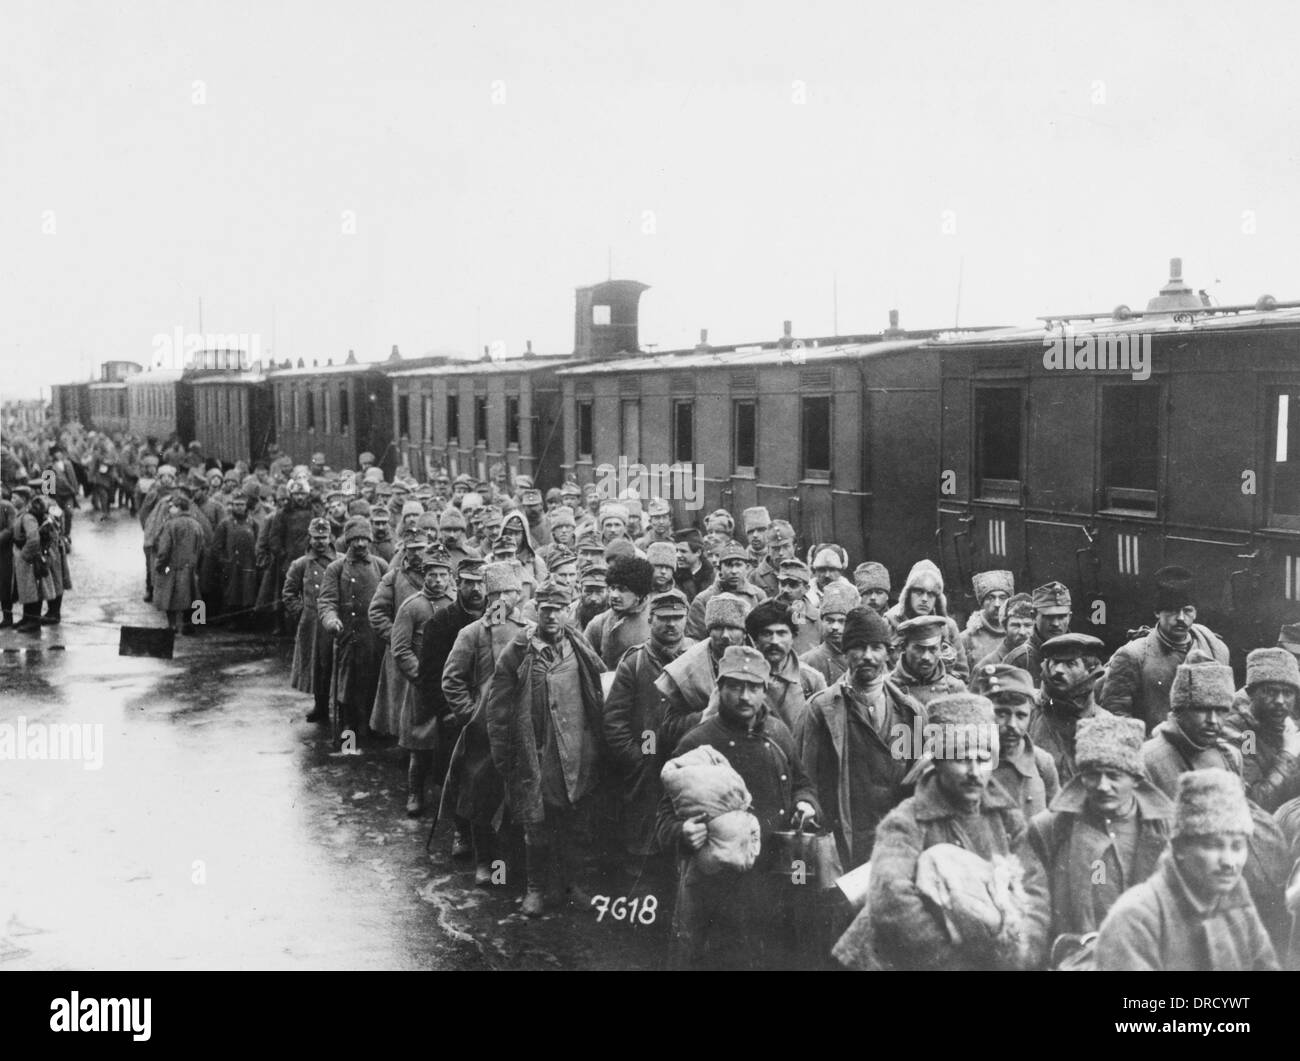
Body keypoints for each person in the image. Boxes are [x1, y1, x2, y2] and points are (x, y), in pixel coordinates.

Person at [852, 692, 1050, 971]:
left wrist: (1020, 952)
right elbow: (891, 900)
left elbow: (1034, 890)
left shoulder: (1007, 816)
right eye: (960, 758)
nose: (974, 771)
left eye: (982, 759)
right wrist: (955, 963)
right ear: (939, 762)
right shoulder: (908, 821)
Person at [655, 645, 820, 970]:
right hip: (717, 886)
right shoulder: (698, 742)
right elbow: (663, 818)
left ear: (765, 690)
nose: (745, 697)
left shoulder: (777, 732)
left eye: (754, 687)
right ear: (720, 687)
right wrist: (681, 833)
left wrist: (806, 803)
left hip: (775, 874)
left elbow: (803, 782)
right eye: (735, 686)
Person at [486, 581, 607, 918]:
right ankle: (536, 888)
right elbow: (498, 711)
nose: (552, 615)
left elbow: (596, 696)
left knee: (576, 820)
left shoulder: (579, 647)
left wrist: (596, 746)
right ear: (536, 611)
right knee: (536, 824)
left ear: (569, 611)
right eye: (546, 609)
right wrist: (504, 759)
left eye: (559, 609)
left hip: (577, 752)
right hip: (537, 752)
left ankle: (574, 884)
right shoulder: (517, 652)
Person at [1096, 768, 1279, 970]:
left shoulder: (1238, 906)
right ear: (1180, 847)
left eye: (1237, 846)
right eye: (1212, 845)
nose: (1229, 861)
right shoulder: (1135, 918)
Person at [1029, 714, 1172, 953]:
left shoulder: (1167, 828)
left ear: (1136, 779)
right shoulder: (1049, 829)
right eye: (1092, 775)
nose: (1103, 786)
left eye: (1114, 776)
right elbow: (1035, 909)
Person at [797, 607, 925, 869]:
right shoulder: (821, 710)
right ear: (845, 652)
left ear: (888, 653)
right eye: (858, 647)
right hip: (842, 842)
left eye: (876, 647)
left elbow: (918, 782)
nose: (867, 656)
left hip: (894, 842)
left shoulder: (910, 711)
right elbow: (805, 778)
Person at [439, 562, 530, 870]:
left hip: (519, 726)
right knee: (480, 792)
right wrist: (470, 715)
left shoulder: (529, 630)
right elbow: (452, 679)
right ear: (490, 597)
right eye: (499, 593)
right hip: (483, 728)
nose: (505, 599)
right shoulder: (473, 633)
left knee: (514, 795)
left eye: (511, 592)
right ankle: (484, 862)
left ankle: (510, 862)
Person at [602, 588, 693, 881]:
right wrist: (635, 758)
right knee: (643, 841)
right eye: (663, 618)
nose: (671, 625)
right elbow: (614, 720)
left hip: (687, 762)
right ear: (650, 620)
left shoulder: (697, 657)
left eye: (678, 618)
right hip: (647, 761)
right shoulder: (635, 662)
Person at [1099, 566, 1231, 732]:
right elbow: (1115, 714)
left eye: (1187, 610)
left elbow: (1223, 707)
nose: (1181, 618)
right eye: (1172, 611)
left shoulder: (1215, 649)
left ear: (1195, 612)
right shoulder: (1133, 655)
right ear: (1157, 612)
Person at [391, 545, 455, 816]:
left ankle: (445, 796)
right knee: (419, 745)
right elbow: (401, 649)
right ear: (424, 575)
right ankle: (415, 792)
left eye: (443, 575)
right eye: (432, 575)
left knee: (448, 744)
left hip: (449, 687)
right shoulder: (412, 606)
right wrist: (423, 678)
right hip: (421, 688)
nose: (438, 581)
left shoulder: (454, 605)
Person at [318, 518, 390, 747]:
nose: (360, 544)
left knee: (374, 682)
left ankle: (373, 726)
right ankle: (349, 730)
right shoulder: (336, 568)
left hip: (375, 637)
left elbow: (392, 599)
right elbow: (327, 600)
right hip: (348, 636)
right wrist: (331, 621)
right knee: (347, 686)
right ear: (348, 541)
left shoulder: (380, 565)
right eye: (355, 539)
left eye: (364, 539)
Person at [657, 592, 750, 756]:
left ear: (744, 632)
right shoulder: (686, 667)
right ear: (708, 630)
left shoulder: (758, 659)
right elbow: (668, 728)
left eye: (733, 628)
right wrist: (707, 714)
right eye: (718, 628)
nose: (725, 635)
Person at [1141, 651, 1243, 799]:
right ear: (1180, 710)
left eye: (1221, 710)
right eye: (1202, 709)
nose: (1213, 720)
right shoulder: (1146, 760)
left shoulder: (1231, 756)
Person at [971, 663, 1059, 820]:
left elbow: (1058, 822)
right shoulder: (965, 762)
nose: (1012, 725)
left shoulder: (1041, 763)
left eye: (1021, 715)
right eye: (1002, 713)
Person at [1029, 632, 1110, 784]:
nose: (1058, 670)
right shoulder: (1028, 713)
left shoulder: (1105, 723)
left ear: (1090, 670)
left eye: (1070, 663)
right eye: (1054, 662)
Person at [368, 536, 428, 738]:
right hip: (400, 651)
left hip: (430, 649)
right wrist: (396, 636)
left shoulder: (439, 576)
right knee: (399, 704)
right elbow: (376, 612)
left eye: (422, 548)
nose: (417, 554)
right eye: (412, 549)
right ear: (404, 551)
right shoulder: (393, 578)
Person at [1226, 647, 1300, 812]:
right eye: (1270, 692)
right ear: (1251, 693)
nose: (1280, 701)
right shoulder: (1245, 733)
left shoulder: (1292, 729)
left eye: (1288, 693)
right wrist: (1288, 754)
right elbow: (1255, 802)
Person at [736, 598, 826, 735]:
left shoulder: (811, 679)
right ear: (755, 639)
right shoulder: (739, 676)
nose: (774, 641)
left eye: (781, 633)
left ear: (793, 637)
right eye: (766, 633)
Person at [282, 517, 336, 724]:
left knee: (334, 663)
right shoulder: (301, 564)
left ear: (330, 537)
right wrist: (302, 612)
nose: (320, 542)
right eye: (316, 538)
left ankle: (336, 706)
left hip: (333, 620)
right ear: (310, 538)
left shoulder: (339, 561)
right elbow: (289, 593)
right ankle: (320, 706)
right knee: (316, 665)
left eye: (323, 538)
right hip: (312, 623)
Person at [884, 558, 967, 680]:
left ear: (938, 599)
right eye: (919, 592)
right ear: (908, 594)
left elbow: (962, 675)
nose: (924, 599)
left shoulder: (948, 626)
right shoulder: (889, 623)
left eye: (931, 594)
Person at [684, 541, 765, 641]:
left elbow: (763, 633)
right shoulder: (704, 599)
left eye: (738, 565)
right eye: (728, 565)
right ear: (719, 569)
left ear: (747, 568)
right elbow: (695, 639)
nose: (734, 571)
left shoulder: (758, 596)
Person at [583, 555, 653, 670]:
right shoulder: (599, 623)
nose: (614, 595)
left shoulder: (655, 621)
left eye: (622, 590)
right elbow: (584, 659)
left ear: (639, 594)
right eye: (612, 588)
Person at [153, 495, 206, 634]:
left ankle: (172, 626)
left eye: (172, 507)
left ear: (179, 508)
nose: (170, 509)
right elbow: (202, 547)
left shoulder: (171, 525)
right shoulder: (196, 524)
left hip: (172, 567)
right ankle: (189, 625)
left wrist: (159, 565)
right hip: (191, 568)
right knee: (191, 597)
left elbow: (164, 549)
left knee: (169, 598)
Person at [1004, 582, 1073, 686]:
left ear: (1070, 617)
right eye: (1049, 617)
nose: (1056, 623)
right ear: (1033, 616)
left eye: (1061, 616)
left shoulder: (1081, 656)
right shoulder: (1019, 660)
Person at [890, 615, 967, 708]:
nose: (926, 657)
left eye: (933, 649)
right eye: (919, 649)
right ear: (903, 647)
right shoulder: (887, 686)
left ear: (941, 649)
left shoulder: (954, 688)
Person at [799, 581, 860, 685]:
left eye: (842, 621)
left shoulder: (861, 658)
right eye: (830, 620)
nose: (835, 627)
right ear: (821, 621)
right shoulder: (806, 661)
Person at [212, 493, 260, 625]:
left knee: (248, 593)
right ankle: (231, 621)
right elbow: (216, 547)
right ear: (232, 506)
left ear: (246, 506)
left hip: (248, 565)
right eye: (236, 505)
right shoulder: (225, 524)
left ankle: (245, 621)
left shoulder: (253, 523)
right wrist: (224, 561)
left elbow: (259, 543)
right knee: (231, 593)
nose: (239, 508)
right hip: (231, 566)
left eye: (242, 505)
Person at [959, 569, 1014, 676]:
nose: (997, 604)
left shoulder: (1017, 633)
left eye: (1002, 597)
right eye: (990, 597)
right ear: (982, 602)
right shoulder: (967, 638)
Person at [972, 593, 1034, 672]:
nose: (1022, 632)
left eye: (1028, 625)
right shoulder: (985, 667)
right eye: (1015, 625)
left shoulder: (1044, 661)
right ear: (1005, 627)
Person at [672, 528, 713, 603]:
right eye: (676, 551)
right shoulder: (674, 578)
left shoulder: (712, 576)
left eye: (683, 551)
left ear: (698, 552)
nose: (677, 555)